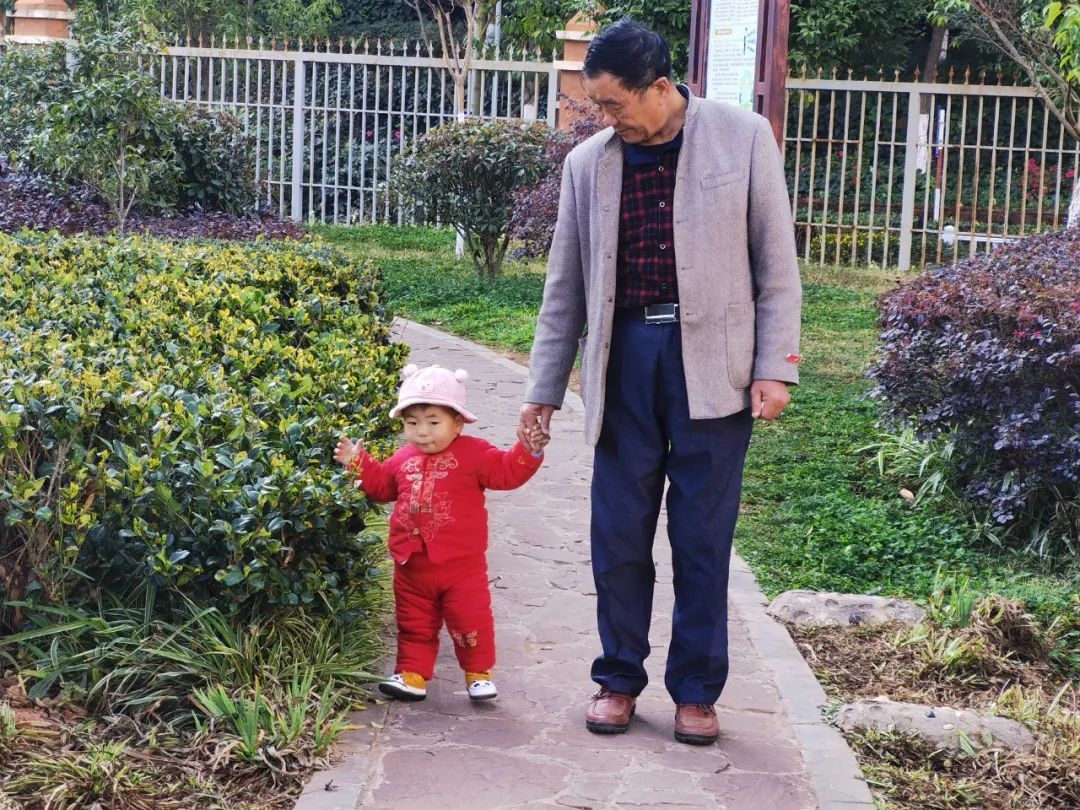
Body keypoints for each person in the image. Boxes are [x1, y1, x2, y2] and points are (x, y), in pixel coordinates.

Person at [517, 19, 802, 745]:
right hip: (624, 359)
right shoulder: (589, 165)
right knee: (617, 532)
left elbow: (777, 267)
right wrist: (542, 391)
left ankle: (697, 691)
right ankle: (617, 677)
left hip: (715, 365)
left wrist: (774, 367)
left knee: (702, 538)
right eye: (596, 107)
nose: (604, 119)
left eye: (614, 105)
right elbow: (565, 290)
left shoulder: (742, 138)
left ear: (662, 88)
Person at [337, 363, 548, 702]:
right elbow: (381, 487)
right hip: (411, 565)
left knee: (470, 620)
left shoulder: (475, 453)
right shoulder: (402, 458)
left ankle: (478, 673)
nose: (422, 432)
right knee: (413, 622)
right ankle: (412, 675)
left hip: (461, 567)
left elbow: (507, 473)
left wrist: (528, 451)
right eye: (412, 423)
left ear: (457, 422)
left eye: (433, 422)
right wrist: (358, 464)